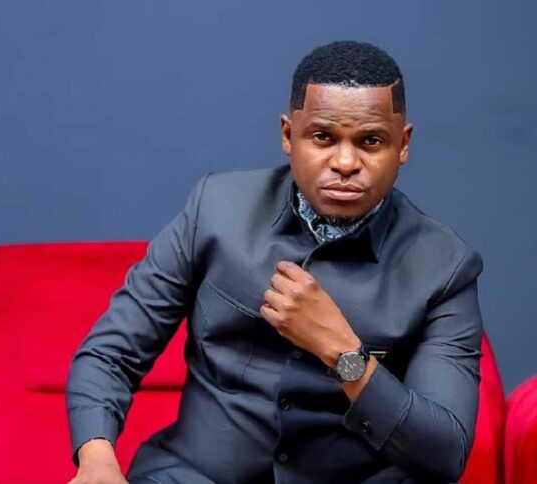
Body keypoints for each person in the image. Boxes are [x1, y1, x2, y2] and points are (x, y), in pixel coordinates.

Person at [66, 40, 484, 484]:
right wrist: (96, 460)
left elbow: (443, 453)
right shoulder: (216, 209)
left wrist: (344, 354)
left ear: (403, 144)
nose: (345, 162)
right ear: (288, 135)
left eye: (371, 141)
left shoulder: (444, 267)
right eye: (323, 137)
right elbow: (111, 354)